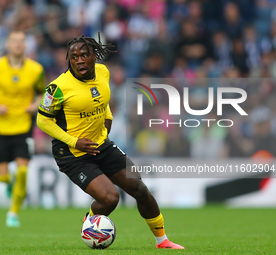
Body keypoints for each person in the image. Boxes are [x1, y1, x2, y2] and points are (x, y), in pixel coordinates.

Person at [37, 34, 184, 249]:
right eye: (73, 56)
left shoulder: (103, 72)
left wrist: (109, 117)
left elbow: (102, 100)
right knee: (110, 198)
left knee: (139, 187)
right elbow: (43, 120)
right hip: (72, 153)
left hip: (100, 144)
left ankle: (162, 241)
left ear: (94, 56)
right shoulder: (57, 88)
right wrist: (74, 141)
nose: (78, 60)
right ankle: (89, 223)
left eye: (84, 55)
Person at [0, 30, 45, 227]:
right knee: (2, 177)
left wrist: (34, 106)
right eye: (14, 41)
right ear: (7, 45)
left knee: (24, 170)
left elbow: (42, 93)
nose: (18, 44)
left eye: (21, 41)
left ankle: (13, 212)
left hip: (23, 125)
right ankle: (10, 184)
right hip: (0, 125)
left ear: (26, 45)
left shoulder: (36, 69)